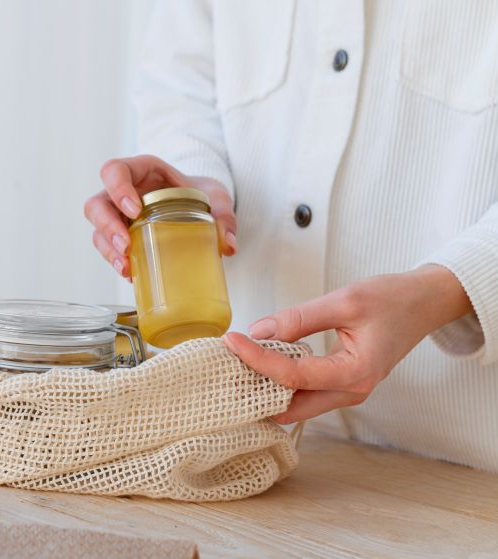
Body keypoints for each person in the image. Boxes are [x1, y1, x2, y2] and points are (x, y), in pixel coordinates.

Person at [84, 1, 498, 472]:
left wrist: (443, 291)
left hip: (462, 465)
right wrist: (191, 184)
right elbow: (180, 80)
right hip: (237, 434)